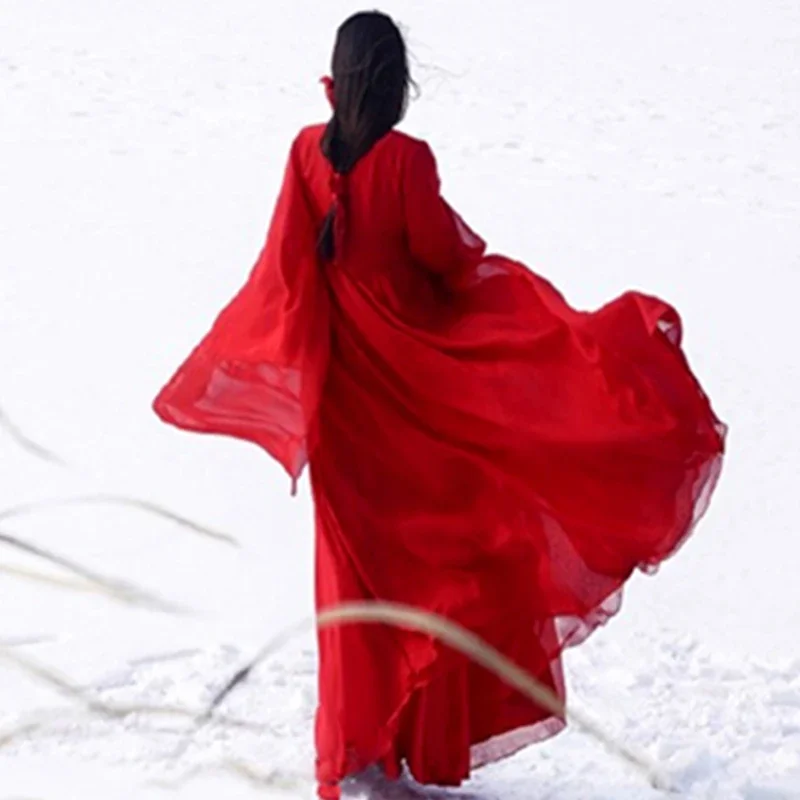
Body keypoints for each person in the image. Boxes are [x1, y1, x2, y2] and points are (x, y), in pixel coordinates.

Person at [153, 11, 726, 799]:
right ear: (395, 83)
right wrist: (505, 303)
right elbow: (443, 259)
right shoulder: (405, 162)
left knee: (350, 584)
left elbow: (285, 276)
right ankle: (398, 746)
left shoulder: (304, 155)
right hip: (408, 405)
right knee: (447, 564)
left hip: (343, 407)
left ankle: (356, 750)